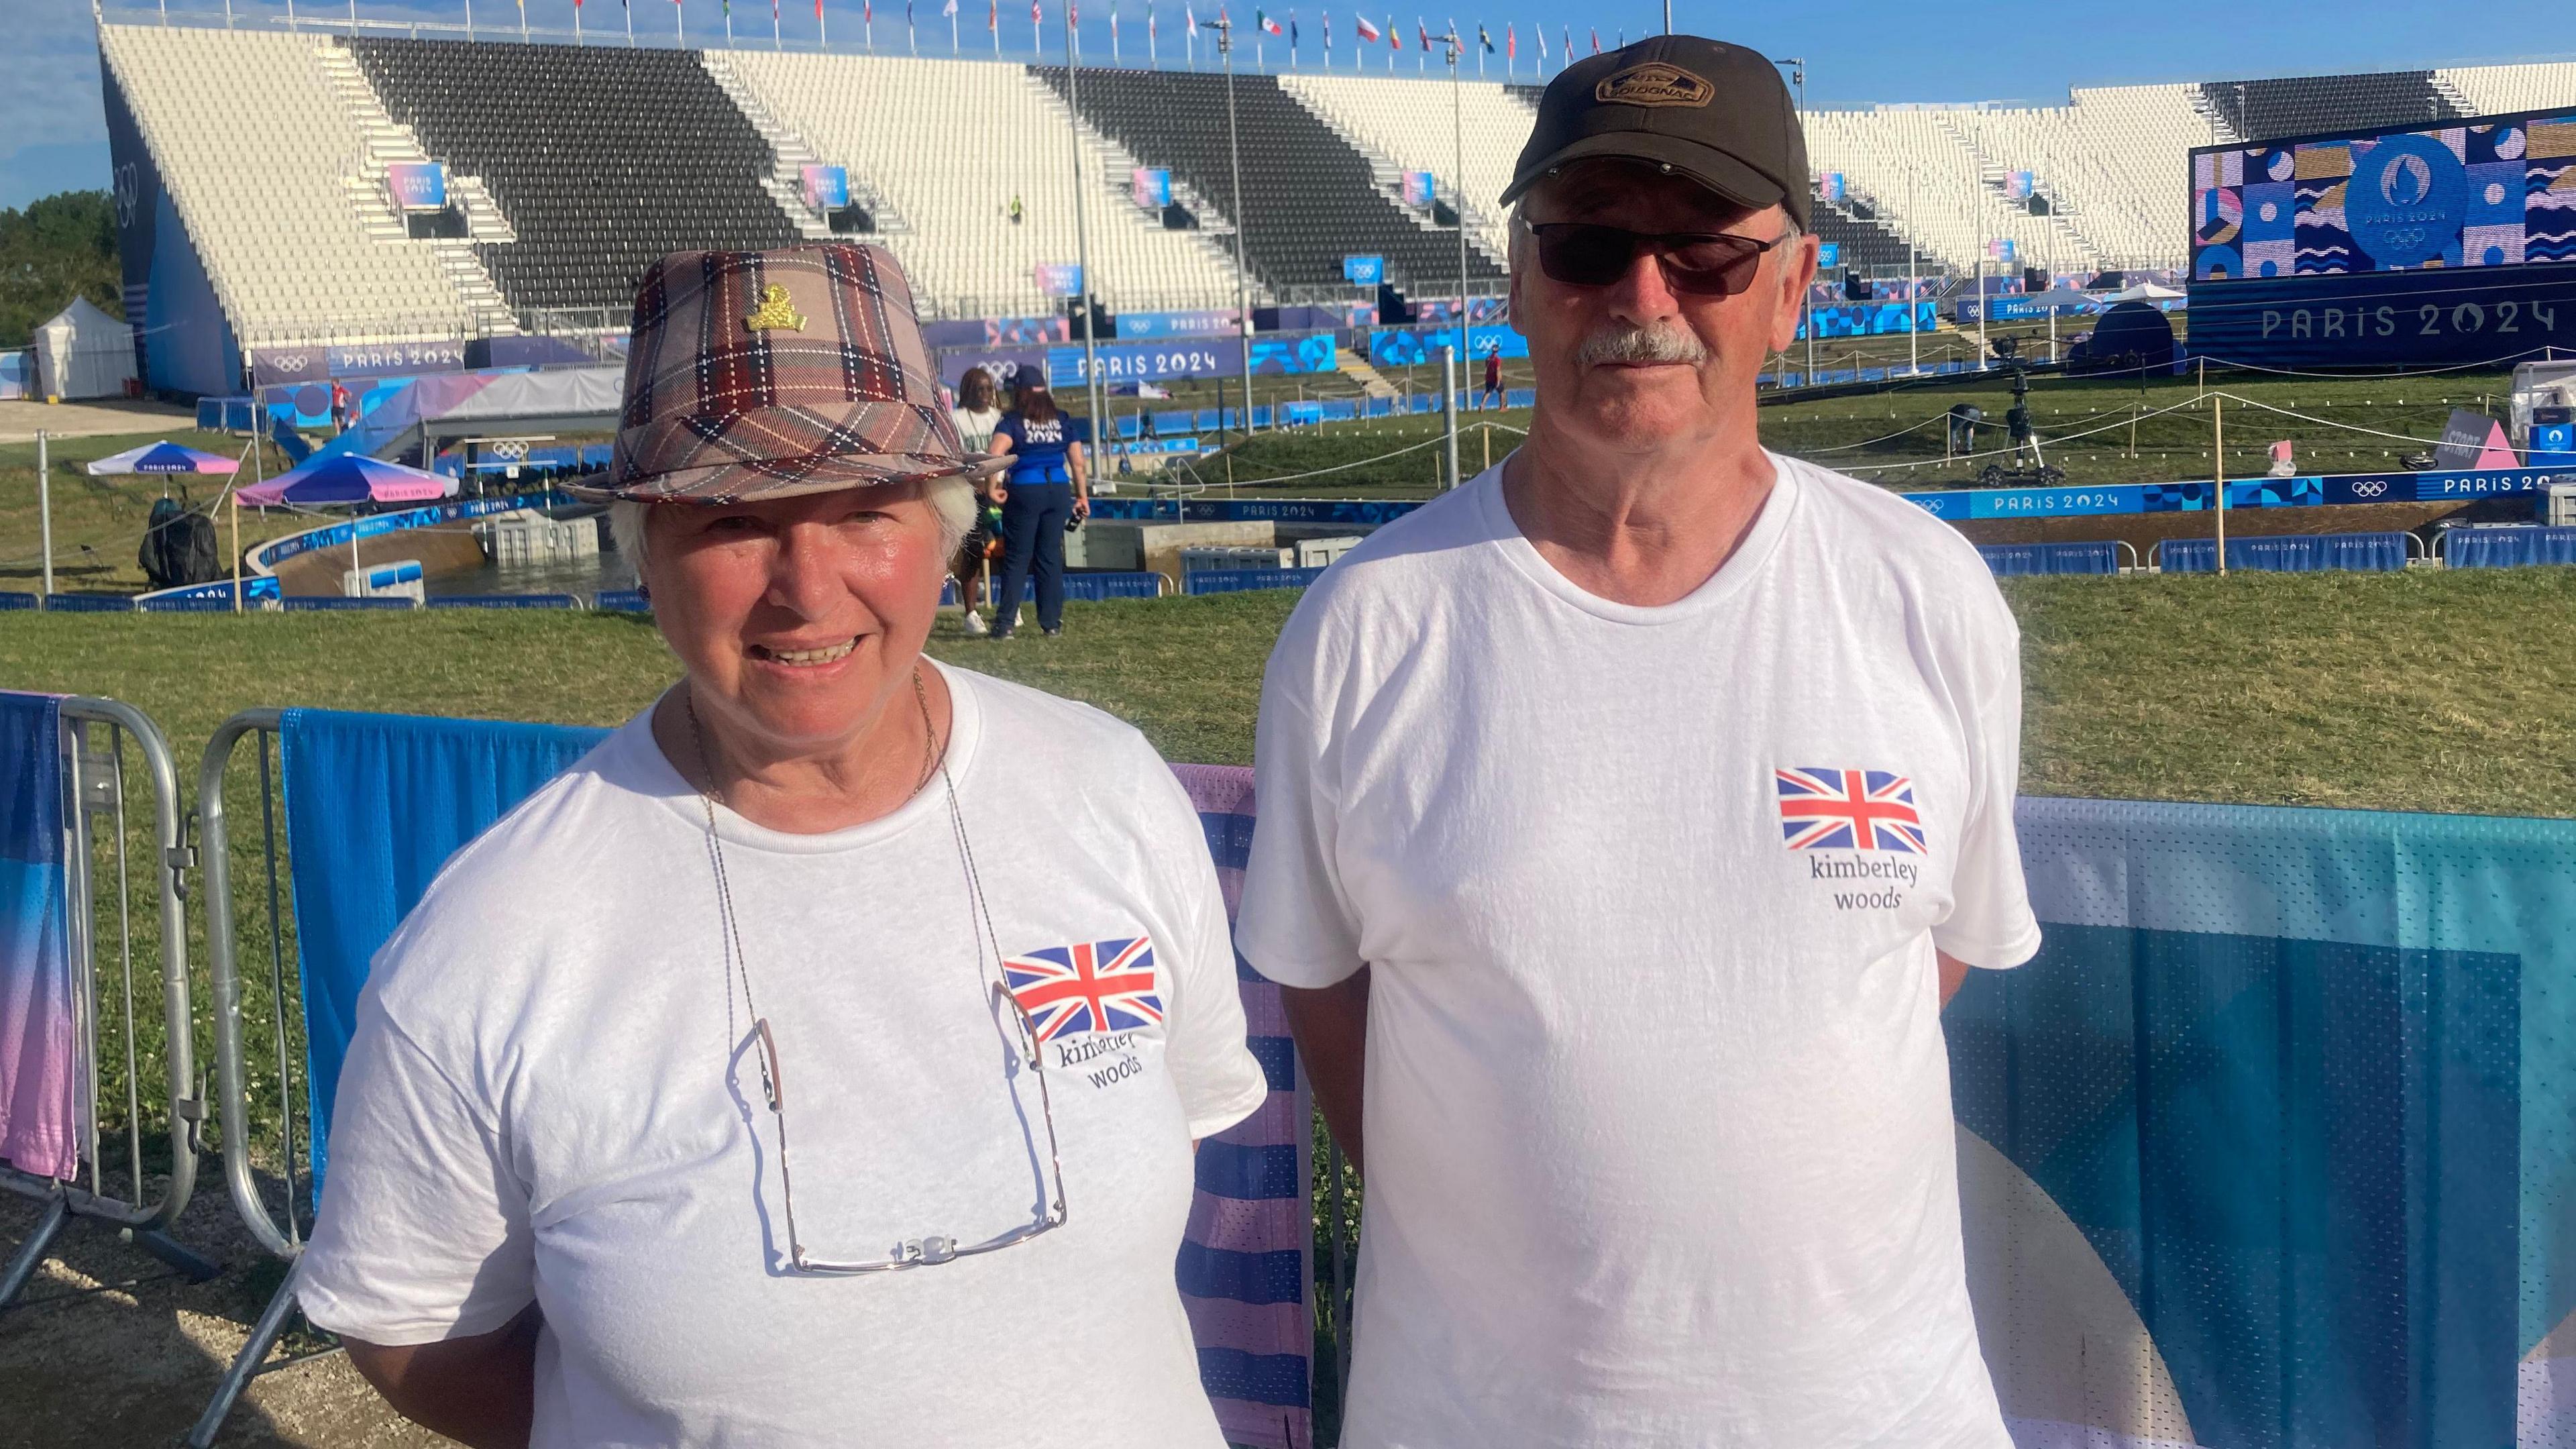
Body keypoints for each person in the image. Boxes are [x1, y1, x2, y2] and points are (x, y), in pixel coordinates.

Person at [293, 244, 1268, 1449]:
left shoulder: (1106, 789)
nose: (809, 590)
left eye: (865, 510)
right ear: (646, 553)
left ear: (948, 532)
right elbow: (415, 1328)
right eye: (734, 520)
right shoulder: (495, 944)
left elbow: (1175, 1133)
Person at [1236, 36, 2038, 1449]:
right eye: (1591, 247)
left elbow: (1932, 954)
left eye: (1707, 258)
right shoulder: (1365, 628)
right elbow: (1323, 986)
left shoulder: (1924, 595)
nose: (1643, 299)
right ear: (1523, 288)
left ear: (1791, 289)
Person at [984, 373, 1089, 641]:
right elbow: (1078, 462)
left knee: (1018, 557)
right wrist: (1082, 497)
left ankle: (1006, 623)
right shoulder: (1062, 419)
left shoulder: (1013, 421)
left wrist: (991, 488)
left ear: (1019, 392)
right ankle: (1051, 622)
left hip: (1025, 490)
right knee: (1050, 556)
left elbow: (995, 453)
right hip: (1057, 490)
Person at [948, 367, 1006, 635]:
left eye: (989, 389)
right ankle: (971, 612)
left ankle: (1009, 606)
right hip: (971, 490)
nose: (985, 395)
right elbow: (954, 457)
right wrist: (975, 483)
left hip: (1001, 492)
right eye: (979, 389)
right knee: (973, 550)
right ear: (969, 391)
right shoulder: (957, 419)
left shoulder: (1000, 418)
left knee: (1005, 548)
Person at [1479, 342, 1503, 408]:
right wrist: (1498, 380)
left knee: (1488, 392)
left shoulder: (1488, 358)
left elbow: (1486, 368)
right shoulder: (1498, 359)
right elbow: (1498, 370)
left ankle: (1482, 405)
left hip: (1489, 378)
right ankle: (1502, 406)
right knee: (1501, 392)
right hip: (1495, 378)